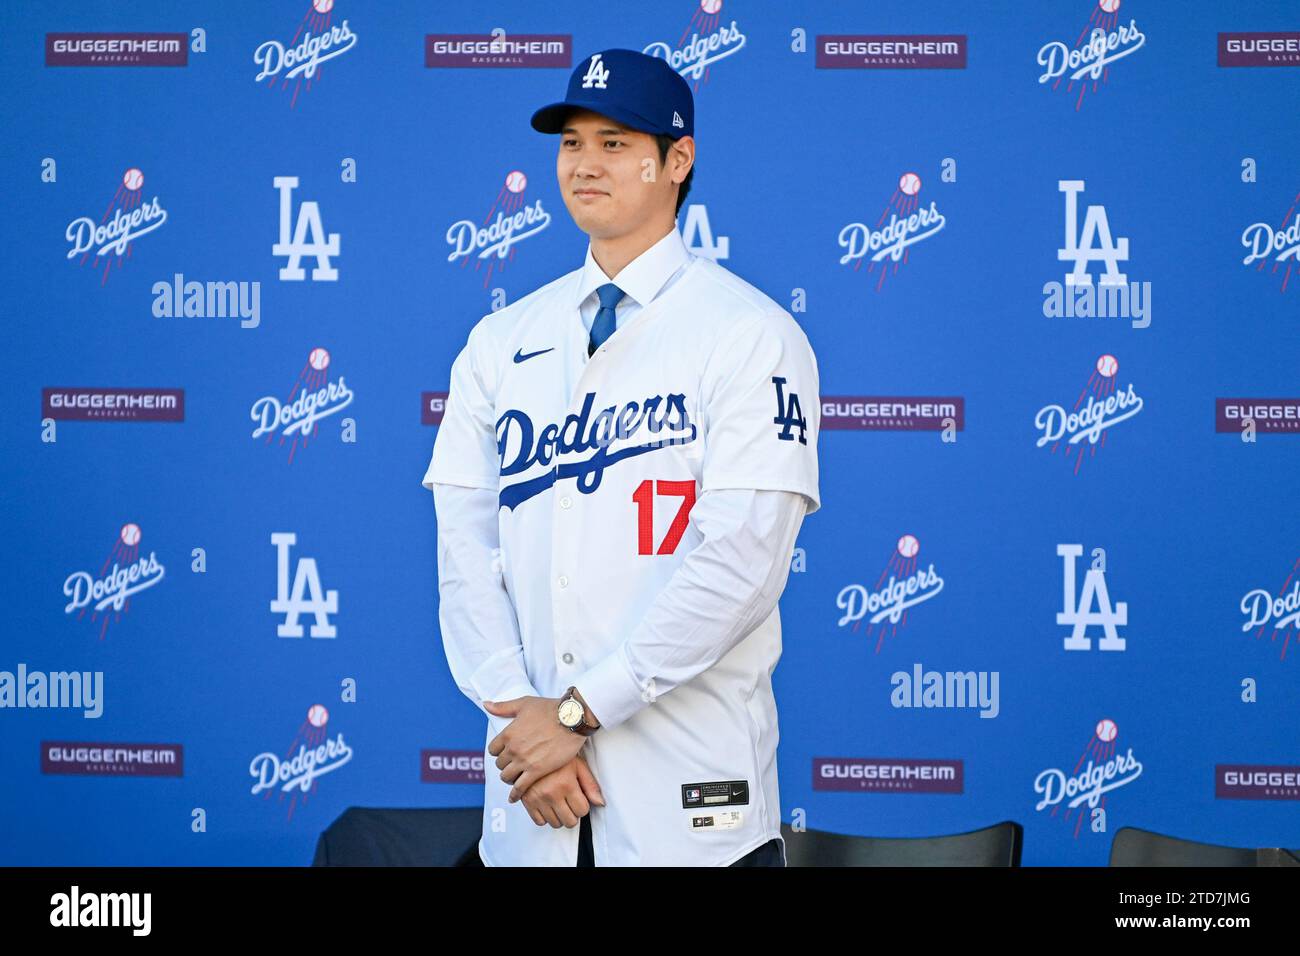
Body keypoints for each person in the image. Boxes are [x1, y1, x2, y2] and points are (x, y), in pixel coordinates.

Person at [422, 48, 820, 866]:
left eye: (614, 141)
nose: (584, 163)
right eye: (571, 142)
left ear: (678, 159)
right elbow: (464, 553)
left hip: (692, 810)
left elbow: (740, 564)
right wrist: (523, 726)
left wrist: (574, 715)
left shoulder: (750, 333)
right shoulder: (501, 342)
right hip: (536, 803)